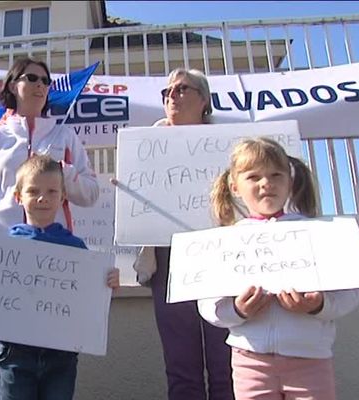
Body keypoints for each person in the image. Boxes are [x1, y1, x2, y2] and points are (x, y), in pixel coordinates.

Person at [0, 57, 99, 400]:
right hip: (2, 262)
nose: (39, 85)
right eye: (31, 78)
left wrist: (60, 170)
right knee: (3, 361)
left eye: (45, 81)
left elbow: (91, 194)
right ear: (11, 86)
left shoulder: (65, 135)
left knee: (52, 355)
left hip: (55, 264)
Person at [199, 137, 359, 399]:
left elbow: (349, 294)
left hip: (310, 358)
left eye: (276, 174)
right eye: (253, 176)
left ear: (291, 181)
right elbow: (208, 306)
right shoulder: (224, 241)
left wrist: (318, 305)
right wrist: (238, 310)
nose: (266, 183)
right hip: (250, 362)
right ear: (234, 186)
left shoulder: (319, 233)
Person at [0, 154, 119, 400]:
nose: (42, 198)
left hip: (61, 355)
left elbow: (88, 294)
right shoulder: (2, 249)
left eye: (51, 192)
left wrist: (107, 282)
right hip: (15, 353)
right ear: (18, 197)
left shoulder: (76, 247)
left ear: (63, 197)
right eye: (33, 190)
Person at [130, 68, 234, 400]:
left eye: (182, 89)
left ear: (204, 101)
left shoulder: (232, 146)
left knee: (225, 362)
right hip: (170, 259)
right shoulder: (146, 147)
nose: (172, 96)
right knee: (180, 363)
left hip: (222, 258)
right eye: (167, 92)